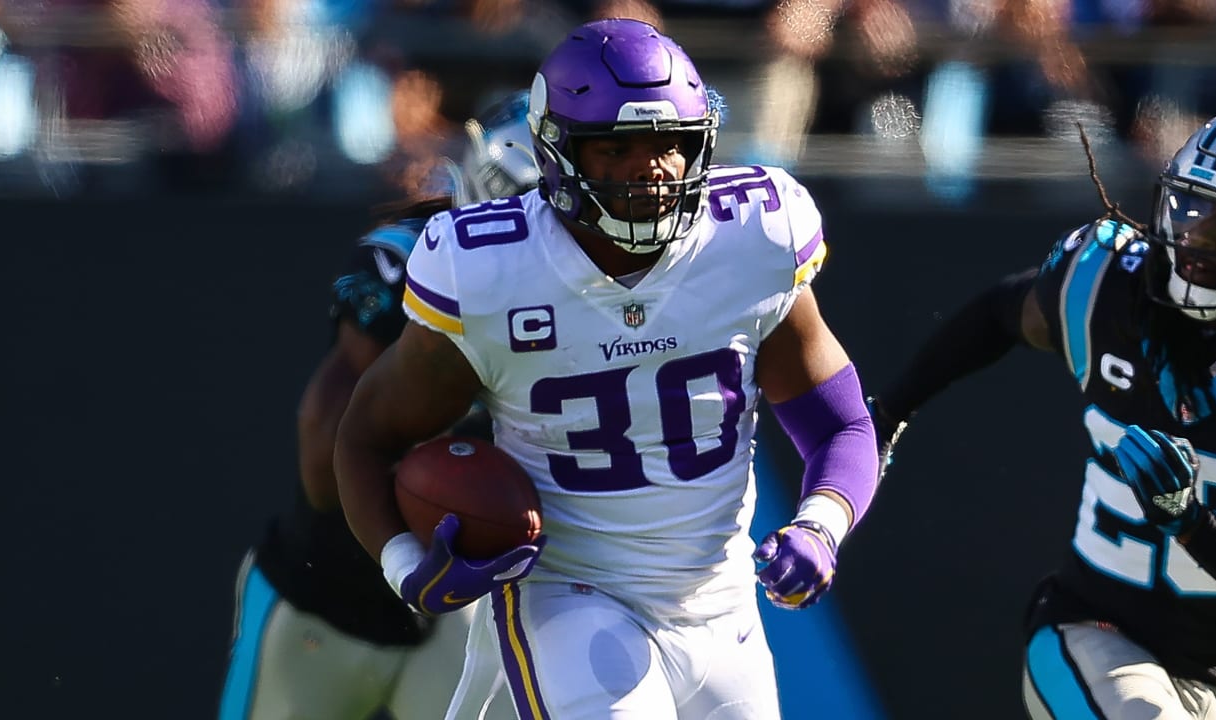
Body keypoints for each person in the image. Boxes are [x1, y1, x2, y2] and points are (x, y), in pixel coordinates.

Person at [334, 18, 880, 720]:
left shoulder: (754, 238)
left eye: (668, 145)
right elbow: (365, 437)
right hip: (572, 598)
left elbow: (840, 425)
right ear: (558, 153)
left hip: (722, 610)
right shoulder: (492, 270)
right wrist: (408, 569)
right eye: (616, 148)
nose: (650, 169)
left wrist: (820, 525)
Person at [869, 105, 1216, 719]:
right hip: (1100, 632)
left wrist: (1188, 521)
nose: (1195, 243)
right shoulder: (1106, 287)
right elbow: (1002, 312)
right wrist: (891, 409)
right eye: (1192, 210)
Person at [217, 92, 537, 720]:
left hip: (461, 614)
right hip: (328, 598)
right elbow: (323, 444)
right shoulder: (408, 262)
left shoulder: (612, 298)